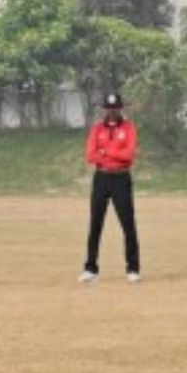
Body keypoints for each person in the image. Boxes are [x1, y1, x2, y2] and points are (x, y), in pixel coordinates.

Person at [80, 93, 141, 284]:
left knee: (128, 224)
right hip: (102, 177)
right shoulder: (97, 129)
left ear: (120, 108)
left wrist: (106, 151)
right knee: (95, 223)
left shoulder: (129, 128)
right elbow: (91, 155)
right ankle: (91, 268)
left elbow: (129, 154)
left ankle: (133, 268)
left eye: (115, 108)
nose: (112, 111)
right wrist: (113, 153)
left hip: (121, 178)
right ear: (105, 109)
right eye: (109, 108)